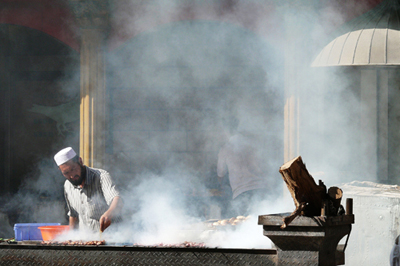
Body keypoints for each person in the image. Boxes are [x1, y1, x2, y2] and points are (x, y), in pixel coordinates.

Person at [54, 147, 123, 232]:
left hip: (111, 239)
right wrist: (70, 237)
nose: (72, 176)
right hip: (86, 240)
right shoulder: (68, 185)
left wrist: (109, 214)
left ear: (80, 161)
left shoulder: (101, 176)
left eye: (73, 169)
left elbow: (117, 199)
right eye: (66, 173)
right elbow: (73, 215)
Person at [217, 125, 269, 216]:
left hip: (241, 192)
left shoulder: (225, 149)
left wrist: (221, 186)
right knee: (262, 224)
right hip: (261, 189)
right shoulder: (252, 144)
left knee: (244, 224)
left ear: (227, 132)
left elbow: (220, 173)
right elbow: (265, 166)